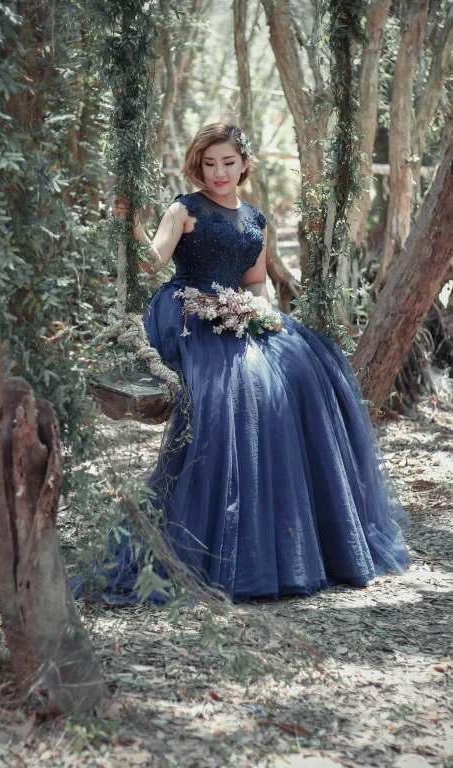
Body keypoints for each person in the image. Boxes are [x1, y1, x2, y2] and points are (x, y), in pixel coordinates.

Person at [73, 122, 410, 604]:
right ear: (198, 166)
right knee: (244, 384)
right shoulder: (183, 208)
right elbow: (153, 262)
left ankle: (303, 538)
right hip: (190, 312)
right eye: (209, 164)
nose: (218, 173)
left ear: (244, 163)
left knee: (306, 369)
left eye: (228, 163)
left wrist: (260, 310)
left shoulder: (254, 219)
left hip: (239, 312)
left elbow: (255, 280)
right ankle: (221, 540)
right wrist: (130, 226)